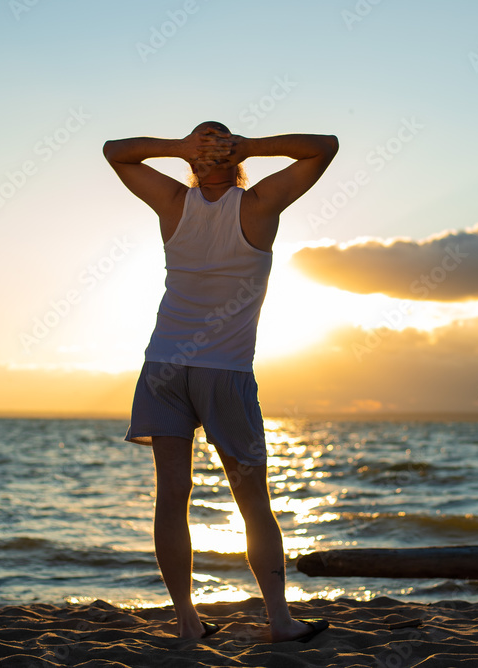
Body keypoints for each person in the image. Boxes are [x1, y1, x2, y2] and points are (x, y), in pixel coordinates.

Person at [103, 121, 338, 642]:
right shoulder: (256, 205)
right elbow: (324, 149)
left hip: (163, 365)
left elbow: (116, 152)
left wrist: (180, 150)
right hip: (224, 372)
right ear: (228, 161)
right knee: (253, 501)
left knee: (173, 496)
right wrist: (249, 148)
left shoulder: (172, 202)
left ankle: (188, 622)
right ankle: (278, 621)